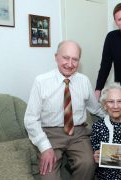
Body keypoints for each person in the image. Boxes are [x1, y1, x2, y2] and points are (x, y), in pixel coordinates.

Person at [24, 40, 105, 180]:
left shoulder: (84, 81)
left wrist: (118, 116)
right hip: (50, 134)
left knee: (88, 163)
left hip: (78, 133)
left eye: (75, 59)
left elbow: (95, 108)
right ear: (56, 57)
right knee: (49, 176)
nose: (70, 64)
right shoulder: (41, 82)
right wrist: (45, 147)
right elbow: (31, 119)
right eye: (65, 58)